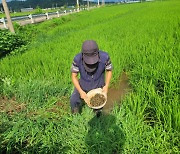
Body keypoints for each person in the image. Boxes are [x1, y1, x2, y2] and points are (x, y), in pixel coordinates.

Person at [70, 40, 113, 114]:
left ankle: (98, 115)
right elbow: (74, 76)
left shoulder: (105, 57)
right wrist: (81, 91)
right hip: (83, 85)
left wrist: (106, 86)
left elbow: (109, 70)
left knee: (99, 106)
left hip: (98, 85)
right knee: (74, 100)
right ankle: (75, 115)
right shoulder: (77, 59)